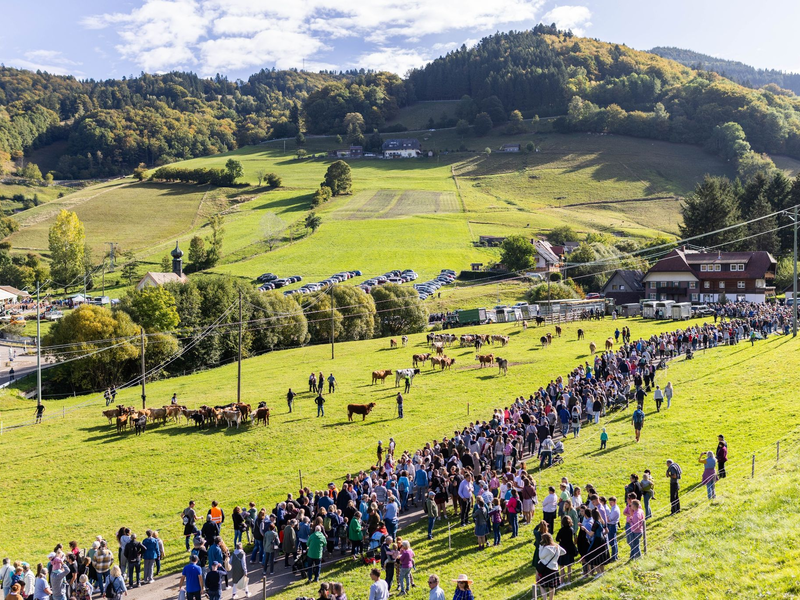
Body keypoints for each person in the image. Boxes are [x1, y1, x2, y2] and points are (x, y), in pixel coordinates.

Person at [537, 533, 565, 600]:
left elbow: (540, 556)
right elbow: (564, 552)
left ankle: (545, 599)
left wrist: (540, 547)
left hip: (546, 569)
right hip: (554, 568)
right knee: (552, 586)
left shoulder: (547, 548)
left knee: (542, 585)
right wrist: (557, 555)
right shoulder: (557, 546)